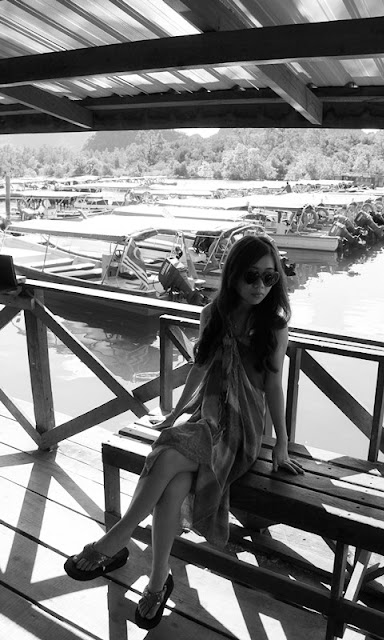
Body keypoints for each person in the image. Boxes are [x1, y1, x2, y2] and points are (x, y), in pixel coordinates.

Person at [63, 234, 304, 629]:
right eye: (251, 276)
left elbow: (274, 387)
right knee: (173, 478)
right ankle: (158, 581)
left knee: (168, 452)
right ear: (233, 275)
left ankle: (117, 539)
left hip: (242, 428)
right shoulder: (213, 315)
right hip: (206, 415)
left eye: (269, 277)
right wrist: (175, 412)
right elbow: (200, 367)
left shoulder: (274, 326)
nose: (260, 286)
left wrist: (282, 443)